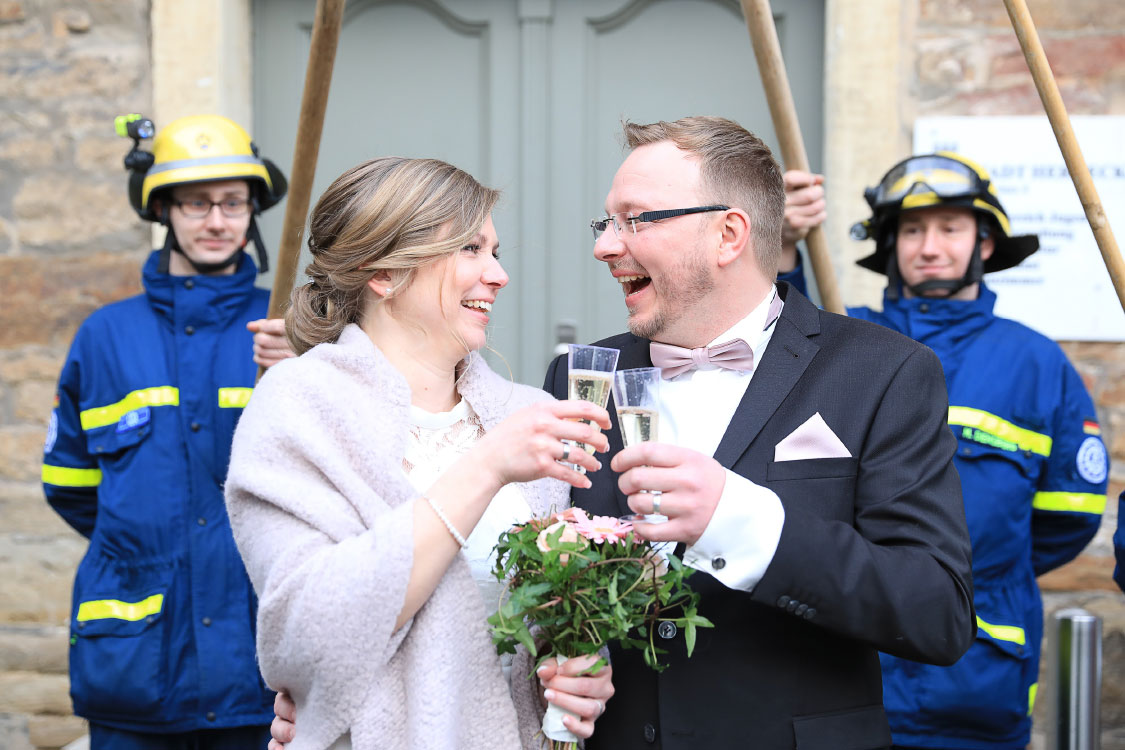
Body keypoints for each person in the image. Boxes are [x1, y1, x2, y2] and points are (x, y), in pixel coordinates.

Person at [540, 116, 976, 749]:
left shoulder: (884, 372)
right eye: (606, 222)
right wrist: (559, 654)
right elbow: (555, 570)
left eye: (636, 220)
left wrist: (743, 522)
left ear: (728, 233)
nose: (607, 245)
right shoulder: (579, 376)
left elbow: (936, 613)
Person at [223, 156, 616, 750]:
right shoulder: (298, 407)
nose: (499, 274)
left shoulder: (523, 413)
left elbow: (550, 621)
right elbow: (306, 635)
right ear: (383, 273)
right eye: (470, 249)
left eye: (496, 251)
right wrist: (485, 468)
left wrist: (585, 672)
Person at [781, 153, 1109, 749]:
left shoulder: (1038, 365)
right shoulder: (839, 338)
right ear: (890, 244)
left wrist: (958, 577)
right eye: (912, 229)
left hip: (977, 686)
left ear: (985, 243)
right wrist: (781, 245)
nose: (930, 246)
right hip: (844, 682)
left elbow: (1070, 518)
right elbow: (766, 345)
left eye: (950, 228)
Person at [41, 114, 294, 749]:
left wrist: (302, 374)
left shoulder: (288, 329)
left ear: (253, 210)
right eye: (196, 203)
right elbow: (69, 483)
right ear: (163, 211)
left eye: (233, 203)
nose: (216, 221)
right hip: (138, 667)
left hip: (257, 672)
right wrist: (145, 547)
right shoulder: (104, 337)